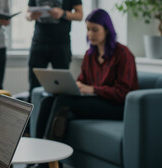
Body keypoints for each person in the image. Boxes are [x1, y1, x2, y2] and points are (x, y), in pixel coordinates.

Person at [34, 8, 139, 141]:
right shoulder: (90, 55)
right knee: (47, 100)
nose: (90, 34)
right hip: (98, 101)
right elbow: (82, 81)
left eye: (95, 30)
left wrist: (94, 89)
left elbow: (123, 93)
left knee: (63, 102)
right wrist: (74, 86)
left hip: (118, 106)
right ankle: (37, 152)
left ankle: (48, 158)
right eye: (88, 29)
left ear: (107, 30)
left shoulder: (123, 54)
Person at [26, 0, 83, 102]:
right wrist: (31, 15)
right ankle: (32, 123)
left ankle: (58, 122)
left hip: (61, 43)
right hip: (39, 42)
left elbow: (79, 15)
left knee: (61, 87)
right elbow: (27, 14)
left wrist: (63, 13)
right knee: (34, 86)